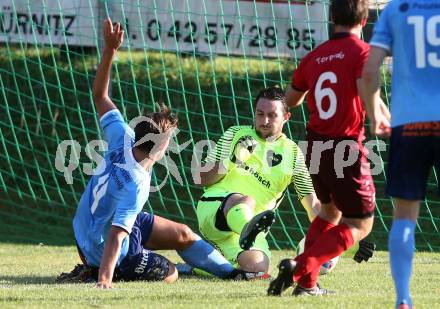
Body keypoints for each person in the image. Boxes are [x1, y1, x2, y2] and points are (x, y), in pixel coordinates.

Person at [66, 18, 250, 288]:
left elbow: (99, 96)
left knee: (183, 234)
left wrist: (110, 50)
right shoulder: (136, 184)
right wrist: (104, 280)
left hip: (91, 230)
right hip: (103, 250)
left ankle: (235, 274)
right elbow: (117, 235)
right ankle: (101, 272)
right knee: (171, 273)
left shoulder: (122, 136)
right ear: (161, 145)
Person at [268, 0, 385, 296]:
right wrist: (379, 118)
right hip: (344, 145)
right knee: (360, 224)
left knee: (329, 213)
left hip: (315, 145)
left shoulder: (314, 57)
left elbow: (290, 101)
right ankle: (300, 265)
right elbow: (366, 87)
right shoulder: (362, 53)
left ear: (332, 16)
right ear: (366, 16)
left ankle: (307, 286)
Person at [360, 0, 440, 307]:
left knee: (405, 215)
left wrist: (374, 113)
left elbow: (369, 70)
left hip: (409, 126)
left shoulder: (396, 9)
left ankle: (403, 298)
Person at [194, 86, 321, 274]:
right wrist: (231, 161)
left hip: (248, 233)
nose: (265, 121)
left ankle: (200, 267)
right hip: (215, 209)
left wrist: (347, 238)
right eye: (260, 114)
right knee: (246, 200)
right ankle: (247, 227)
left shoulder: (293, 155)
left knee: (257, 269)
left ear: (286, 117)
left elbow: (313, 205)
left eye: (272, 115)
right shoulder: (236, 133)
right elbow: (200, 178)